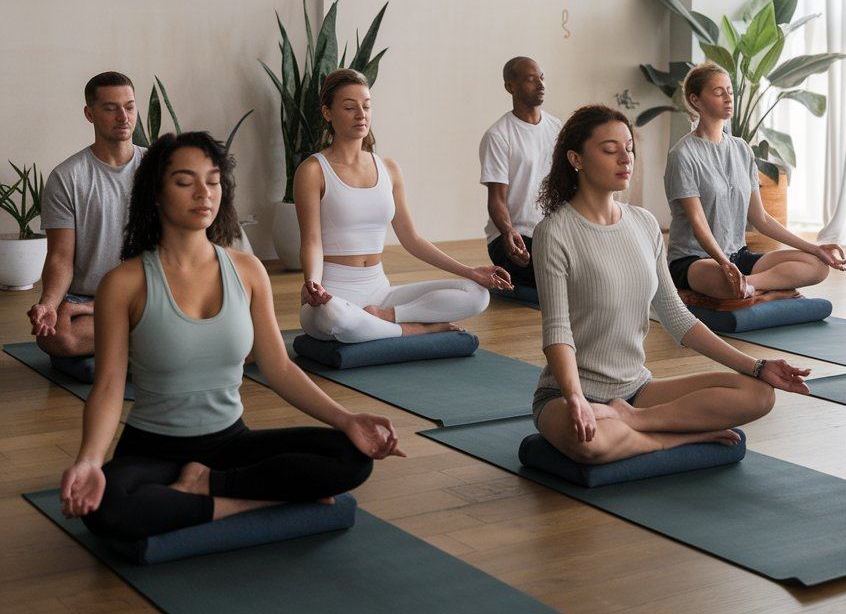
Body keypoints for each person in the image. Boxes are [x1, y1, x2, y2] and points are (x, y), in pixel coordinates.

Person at [59, 131, 402, 540]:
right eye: (185, 182)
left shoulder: (248, 270)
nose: (203, 193)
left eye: (213, 180)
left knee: (350, 456)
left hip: (230, 443)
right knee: (108, 507)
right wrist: (89, 461)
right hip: (153, 447)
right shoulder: (125, 282)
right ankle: (250, 500)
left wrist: (347, 419)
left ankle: (206, 488)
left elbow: (278, 367)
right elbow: (110, 386)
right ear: (155, 193)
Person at [532, 104, 810, 464]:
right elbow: (557, 333)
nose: (625, 158)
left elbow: (677, 316)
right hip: (566, 395)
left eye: (629, 148)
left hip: (636, 391)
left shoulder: (644, 223)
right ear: (577, 159)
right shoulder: (554, 233)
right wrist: (575, 399)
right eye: (609, 150)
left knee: (759, 395)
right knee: (591, 442)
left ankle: (637, 422)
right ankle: (669, 439)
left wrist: (756, 366)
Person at [296, 69, 510, 343]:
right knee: (335, 317)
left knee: (477, 294)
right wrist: (313, 283)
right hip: (334, 294)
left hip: (380, 292)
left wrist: (470, 272)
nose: (361, 114)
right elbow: (311, 241)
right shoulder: (314, 170)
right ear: (328, 113)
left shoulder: (389, 169)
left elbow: (411, 238)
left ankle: (385, 318)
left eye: (367, 106)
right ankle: (415, 329)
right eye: (349, 107)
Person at [664, 62, 846, 301]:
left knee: (817, 266)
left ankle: (749, 288)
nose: (728, 98)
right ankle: (770, 292)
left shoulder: (741, 150)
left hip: (737, 257)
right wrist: (723, 263)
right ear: (696, 100)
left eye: (730, 91)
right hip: (695, 260)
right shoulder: (683, 154)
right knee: (722, 278)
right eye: (719, 92)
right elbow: (699, 225)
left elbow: (760, 219)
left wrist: (815, 248)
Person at [28, 72, 146, 358]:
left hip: (149, 294)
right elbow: (60, 258)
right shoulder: (66, 177)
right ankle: (152, 340)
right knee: (57, 338)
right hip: (88, 296)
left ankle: (129, 334)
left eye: (129, 107)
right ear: (89, 114)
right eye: (110, 108)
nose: (123, 116)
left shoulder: (158, 168)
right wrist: (47, 304)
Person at [479, 56, 561, 288]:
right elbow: (496, 198)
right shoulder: (499, 135)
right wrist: (507, 232)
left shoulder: (558, 129)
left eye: (542, 78)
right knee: (558, 276)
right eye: (530, 79)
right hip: (513, 238)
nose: (540, 84)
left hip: (552, 235)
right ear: (510, 86)